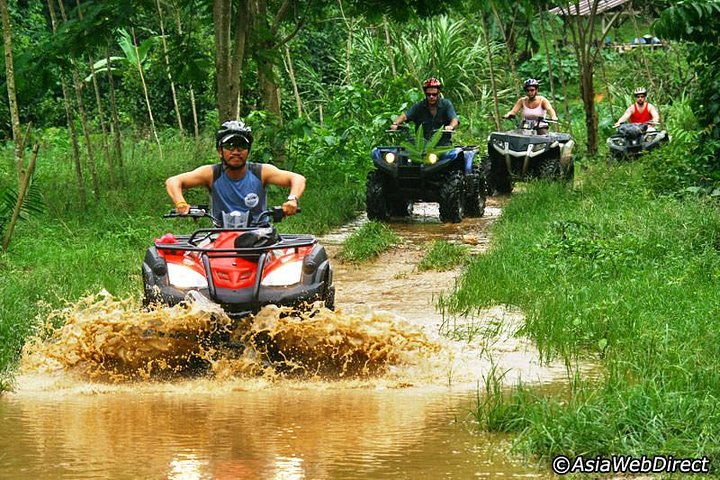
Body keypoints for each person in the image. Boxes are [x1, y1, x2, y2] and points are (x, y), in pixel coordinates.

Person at [165, 120, 305, 226]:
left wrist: (292, 200)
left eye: (242, 146)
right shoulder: (211, 173)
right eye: (229, 146)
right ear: (220, 151)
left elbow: (297, 178)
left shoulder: (260, 172)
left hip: (260, 235)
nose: (236, 151)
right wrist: (181, 203)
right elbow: (173, 181)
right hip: (221, 237)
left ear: (248, 151)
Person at [390, 77, 459, 145]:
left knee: (451, 155)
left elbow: (454, 119)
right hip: (422, 145)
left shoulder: (446, 105)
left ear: (438, 93)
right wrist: (395, 123)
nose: (431, 97)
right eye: (428, 95)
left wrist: (450, 127)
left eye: (434, 94)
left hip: (442, 145)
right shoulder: (419, 106)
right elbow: (405, 116)